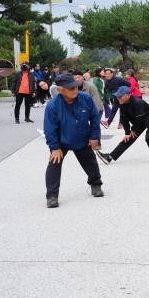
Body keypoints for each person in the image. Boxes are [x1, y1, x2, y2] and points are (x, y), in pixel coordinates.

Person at [43, 73, 104, 208]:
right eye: (70, 88)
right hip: (61, 141)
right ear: (60, 90)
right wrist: (54, 147)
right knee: (54, 163)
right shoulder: (52, 106)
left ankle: (96, 185)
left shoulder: (86, 98)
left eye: (75, 87)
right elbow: (49, 129)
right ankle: (52, 196)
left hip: (82, 137)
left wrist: (94, 137)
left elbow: (95, 118)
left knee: (90, 162)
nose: (75, 90)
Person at [95, 86, 149, 165]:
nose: (118, 98)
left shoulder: (137, 102)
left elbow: (140, 118)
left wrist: (133, 130)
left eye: (120, 96)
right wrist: (127, 132)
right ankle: (109, 157)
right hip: (139, 120)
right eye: (117, 96)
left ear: (128, 95)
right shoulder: (122, 103)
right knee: (128, 138)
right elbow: (124, 118)